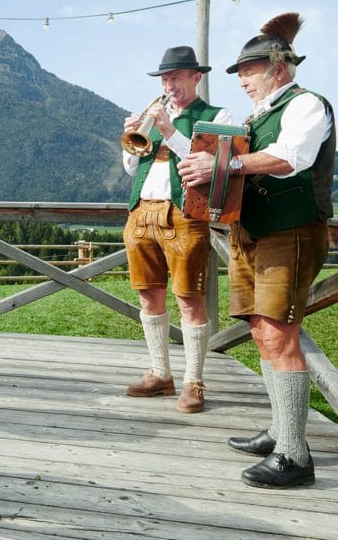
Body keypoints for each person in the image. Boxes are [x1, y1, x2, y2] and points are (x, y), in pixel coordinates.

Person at [180, 12, 333, 488]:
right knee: (264, 332)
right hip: (254, 232)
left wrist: (225, 163)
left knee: (280, 333)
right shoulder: (260, 114)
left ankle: (294, 456)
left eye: (248, 71)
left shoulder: (309, 105)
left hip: (289, 229)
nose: (242, 80)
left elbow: (292, 158)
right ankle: (281, 429)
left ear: (278, 68)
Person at [120, 46, 232, 413]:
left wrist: (168, 130)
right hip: (142, 213)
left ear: (197, 77)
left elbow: (209, 165)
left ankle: (194, 382)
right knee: (149, 296)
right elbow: (130, 169)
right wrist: (134, 136)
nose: (169, 85)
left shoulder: (217, 117)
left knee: (189, 299)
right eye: (165, 79)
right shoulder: (154, 116)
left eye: (176, 78)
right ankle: (160, 373)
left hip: (184, 215)